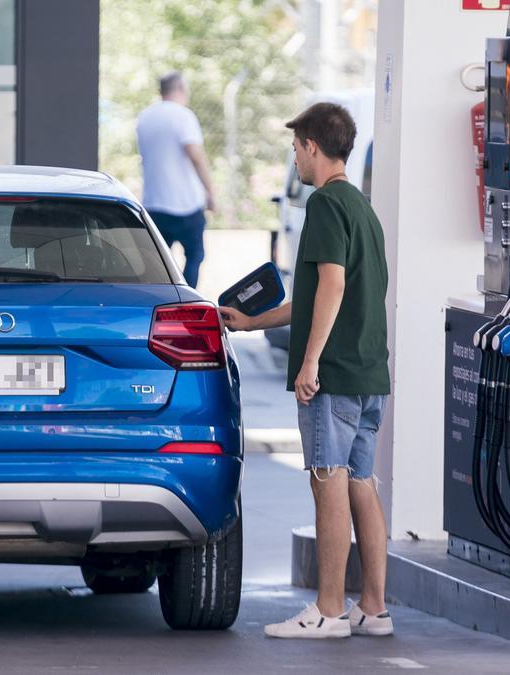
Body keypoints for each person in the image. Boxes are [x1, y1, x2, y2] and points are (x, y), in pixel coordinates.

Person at [219, 102, 392, 639]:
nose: (294, 157)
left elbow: (333, 285)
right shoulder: (362, 208)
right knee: (360, 483)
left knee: (327, 483)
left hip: (333, 375)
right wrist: (251, 323)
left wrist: (310, 361)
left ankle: (329, 611)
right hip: (368, 375)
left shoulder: (323, 205)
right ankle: (373, 608)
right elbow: (313, 296)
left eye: (296, 147)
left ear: (314, 146)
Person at [136, 71, 215, 288]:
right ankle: (187, 301)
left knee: (158, 264)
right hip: (185, 205)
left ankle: (163, 302)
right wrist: (210, 191)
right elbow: (195, 155)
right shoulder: (183, 115)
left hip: (153, 204)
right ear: (181, 89)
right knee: (195, 256)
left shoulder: (145, 118)